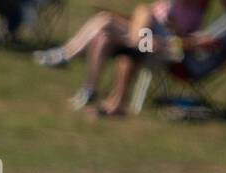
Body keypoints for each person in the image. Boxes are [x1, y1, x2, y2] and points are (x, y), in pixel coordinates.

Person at [33, 1, 209, 110]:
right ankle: (89, 89)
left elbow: (182, 39)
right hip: (145, 35)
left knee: (108, 21)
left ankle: (66, 55)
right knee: (104, 34)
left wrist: (173, 33)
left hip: (158, 43)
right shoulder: (175, 4)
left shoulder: (196, 11)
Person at [97, 0, 226, 115]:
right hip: (190, 56)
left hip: (190, 62)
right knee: (141, 43)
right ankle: (117, 99)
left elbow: (206, 43)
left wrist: (176, 40)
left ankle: (117, 102)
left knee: (137, 49)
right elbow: (205, 41)